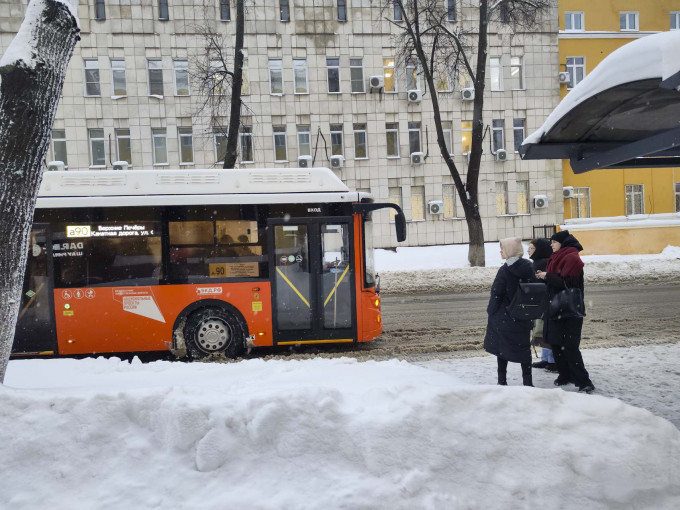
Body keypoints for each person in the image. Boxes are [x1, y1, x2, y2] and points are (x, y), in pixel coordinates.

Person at [536, 230, 595, 394]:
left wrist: (548, 276)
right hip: (556, 307)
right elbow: (556, 280)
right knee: (555, 343)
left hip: (570, 309)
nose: (551, 245)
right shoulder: (557, 257)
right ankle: (565, 375)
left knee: (570, 347)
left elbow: (568, 283)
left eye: (554, 242)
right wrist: (545, 276)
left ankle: (584, 382)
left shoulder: (572, 258)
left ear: (563, 243)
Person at [483, 237, 535, 387]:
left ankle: (502, 381)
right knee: (524, 349)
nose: (501, 251)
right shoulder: (528, 267)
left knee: (502, 349)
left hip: (504, 317)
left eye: (503, 249)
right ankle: (528, 382)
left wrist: (491, 312)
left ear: (509, 251)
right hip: (523, 316)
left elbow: (496, 294)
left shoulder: (505, 270)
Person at [527, 238, 556, 372]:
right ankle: (546, 359)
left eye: (531, 248)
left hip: (546, 302)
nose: (528, 251)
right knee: (542, 330)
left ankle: (552, 361)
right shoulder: (539, 261)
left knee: (546, 331)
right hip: (542, 301)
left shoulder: (543, 262)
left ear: (539, 250)